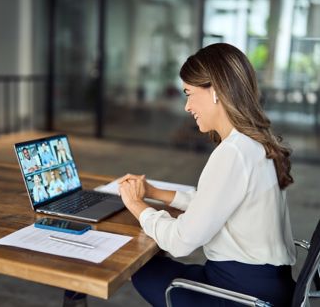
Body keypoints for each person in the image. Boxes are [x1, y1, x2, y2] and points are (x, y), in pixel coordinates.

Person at [118, 43, 296, 307]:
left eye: (189, 93)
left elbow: (180, 242)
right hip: (269, 286)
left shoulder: (233, 152)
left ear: (214, 91)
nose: (187, 106)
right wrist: (155, 193)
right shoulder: (255, 144)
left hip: (239, 295)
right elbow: (215, 201)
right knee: (153, 266)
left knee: (139, 267)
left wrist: (136, 205)